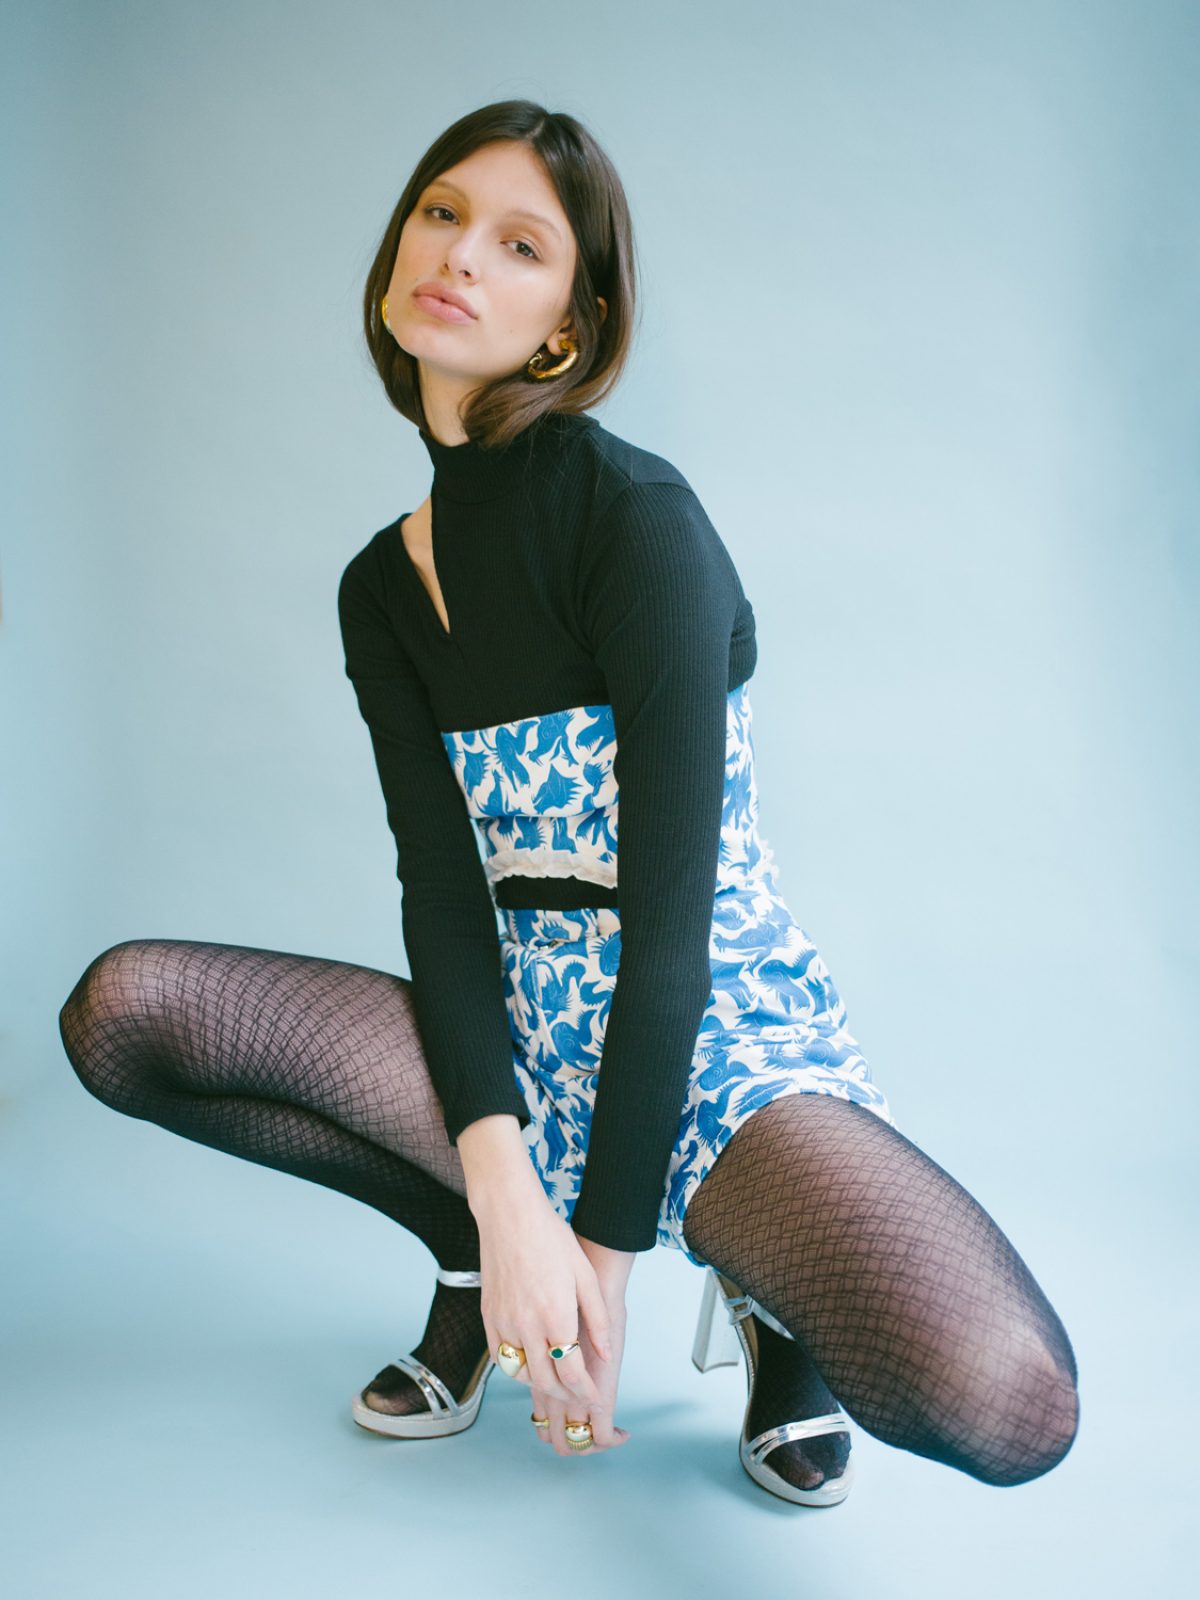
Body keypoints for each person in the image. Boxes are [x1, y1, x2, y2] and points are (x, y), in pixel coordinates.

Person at [58, 99, 1080, 1507]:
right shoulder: (382, 589)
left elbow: (669, 931)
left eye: (520, 244)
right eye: (440, 215)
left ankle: (771, 1300)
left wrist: (596, 1272)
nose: (460, 254)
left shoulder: (636, 518)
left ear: (567, 329)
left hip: (706, 1026)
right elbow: (442, 894)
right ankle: (473, 1255)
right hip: (519, 1030)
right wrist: (505, 1193)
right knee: (124, 1016)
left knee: (1007, 1400)